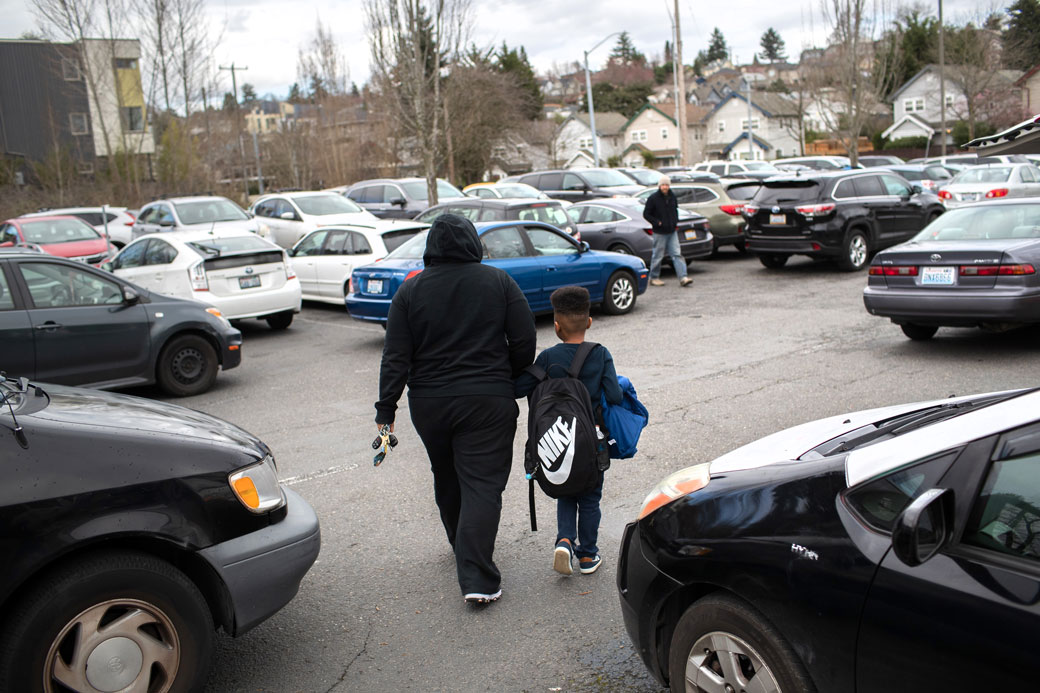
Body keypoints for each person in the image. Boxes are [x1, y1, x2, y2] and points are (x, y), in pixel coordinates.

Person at [375, 213, 537, 605]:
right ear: (472, 244)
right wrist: (509, 376)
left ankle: (462, 545)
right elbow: (525, 337)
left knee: (447, 477)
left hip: (430, 403)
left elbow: (395, 355)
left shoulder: (410, 291)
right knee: (482, 483)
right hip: (487, 399)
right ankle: (478, 578)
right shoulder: (498, 282)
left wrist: (386, 410)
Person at [514, 286, 622, 576]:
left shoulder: (548, 358)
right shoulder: (600, 354)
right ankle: (588, 556)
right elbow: (614, 396)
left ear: (556, 326)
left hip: (557, 440)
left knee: (566, 492)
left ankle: (564, 540)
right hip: (593, 442)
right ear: (589, 322)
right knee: (589, 496)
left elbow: (519, 388)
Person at [642, 175, 692, 287]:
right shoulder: (653, 198)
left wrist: (675, 222)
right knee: (658, 255)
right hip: (659, 232)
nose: (665, 187)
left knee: (677, 254)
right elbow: (646, 214)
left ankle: (683, 277)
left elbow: (675, 210)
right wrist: (657, 223)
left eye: (667, 185)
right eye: (663, 185)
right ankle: (654, 277)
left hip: (672, 231)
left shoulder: (672, 197)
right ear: (659, 186)